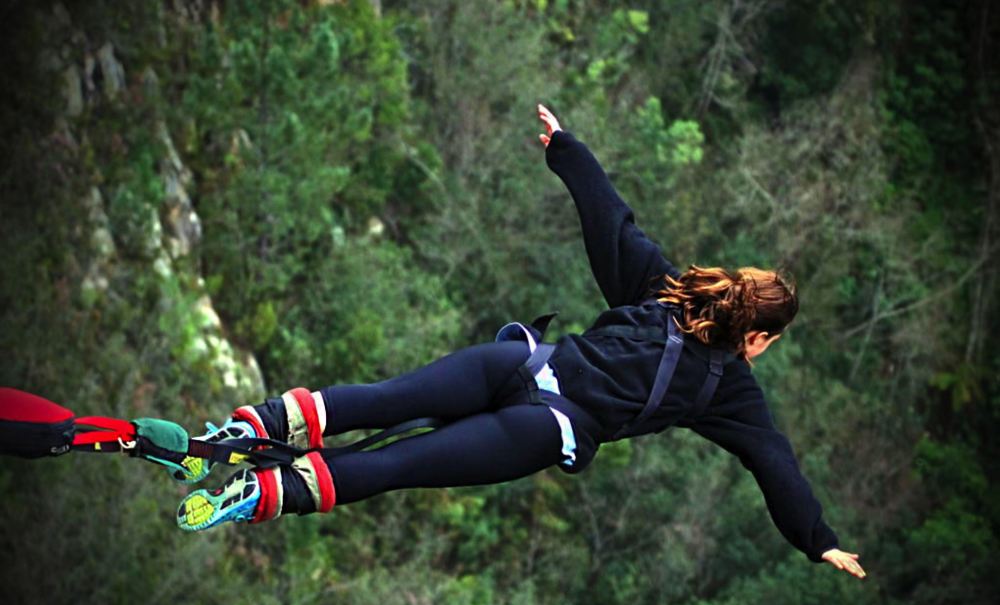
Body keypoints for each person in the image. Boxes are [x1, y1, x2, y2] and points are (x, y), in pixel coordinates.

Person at [176, 104, 866, 580]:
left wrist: (567, 150)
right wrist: (818, 539)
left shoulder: (667, 290)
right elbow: (774, 463)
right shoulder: (730, 389)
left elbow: (611, 219)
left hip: (520, 360)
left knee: (380, 400)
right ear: (759, 337)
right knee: (398, 464)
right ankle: (264, 493)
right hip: (544, 426)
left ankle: (243, 428)